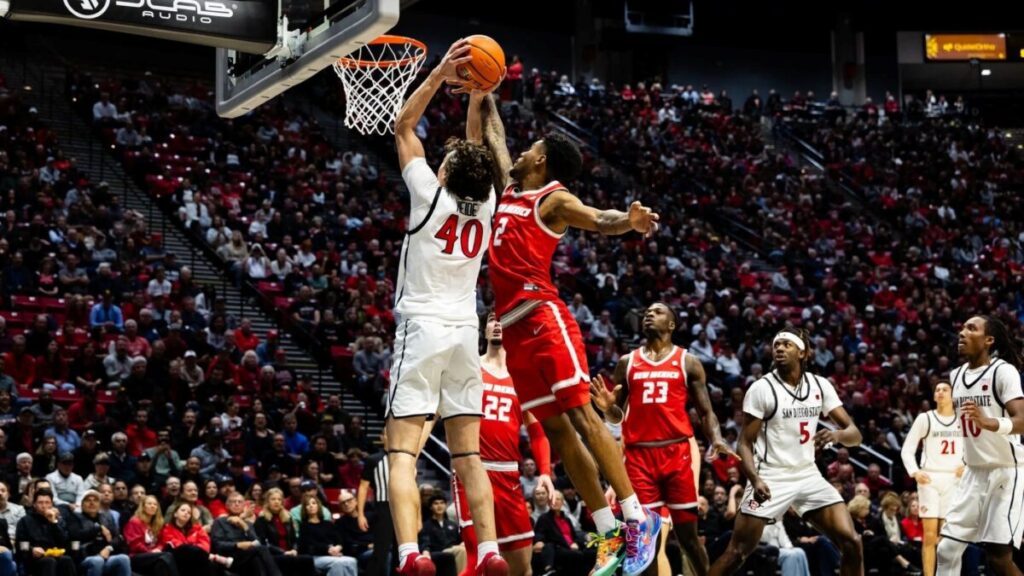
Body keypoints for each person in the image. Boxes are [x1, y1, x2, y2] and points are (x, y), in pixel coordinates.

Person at [481, 69, 662, 575]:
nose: (520, 152)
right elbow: (495, 141)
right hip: (514, 331)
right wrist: (483, 93)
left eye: (530, 149)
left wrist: (628, 221)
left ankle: (637, 517)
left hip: (543, 317)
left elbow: (598, 217)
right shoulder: (511, 190)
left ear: (541, 160)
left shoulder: (554, 199)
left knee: (582, 416)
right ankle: (607, 531)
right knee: (558, 433)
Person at [385, 39, 505, 576]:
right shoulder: (488, 205)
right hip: (463, 334)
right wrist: (477, 98)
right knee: (468, 456)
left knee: (401, 453)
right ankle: (490, 551)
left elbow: (404, 127)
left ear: (446, 174)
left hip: (422, 329)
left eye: (446, 160)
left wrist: (438, 75)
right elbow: (476, 149)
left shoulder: (429, 197)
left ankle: (411, 555)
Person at [592, 302, 736, 576]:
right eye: (647, 312)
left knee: (689, 538)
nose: (649, 314)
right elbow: (616, 416)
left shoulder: (688, 362)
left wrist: (716, 438)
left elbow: (706, 412)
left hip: (676, 455)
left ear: (671, 325)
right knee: (645, 544)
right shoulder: (627, 362)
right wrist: (608, 409)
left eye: (657, 312)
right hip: (639, 459)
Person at [708, 328, 864, 576]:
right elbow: (744, 443)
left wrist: (836, 435)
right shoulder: (762, 388)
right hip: (771, 476)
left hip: (807, 474)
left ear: (802, 352)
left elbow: (855, 434)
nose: (779, 348)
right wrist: (755, 479)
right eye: (776, 344)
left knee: (852, 542)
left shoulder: (820, 385)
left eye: (786, 344)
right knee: (737, 552)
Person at [453, 314, 553, 576]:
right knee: (476, 561)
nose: (497, 324)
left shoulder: (522, 375)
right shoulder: (470, 367)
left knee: (521, 568)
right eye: (492, 320)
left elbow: (537, 432)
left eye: (503, 320)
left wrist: (545, 472)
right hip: (472, 470)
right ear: (485, 328)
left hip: (508, 475)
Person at [937, 316, 1024, 576]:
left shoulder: (1003, 371)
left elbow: (1022, 420)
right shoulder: (956, 376)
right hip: (973, 473)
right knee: (946, 550)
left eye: (971, 328)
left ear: (989, 340)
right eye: (962, 327)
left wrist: (989, 423)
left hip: (1005, 472)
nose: (962, 332)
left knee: (998, 559)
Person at [899, 381, 963, 576]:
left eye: (945, 389)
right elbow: (907, 450)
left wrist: (967, 465)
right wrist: (915, 472)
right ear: (934, 396)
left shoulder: (962, 420)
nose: (940, 392)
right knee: (929, 536)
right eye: (937, 390)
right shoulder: (925, 418)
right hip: (930, 479)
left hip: (954, 479)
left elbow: (976, 447)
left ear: (953, 395)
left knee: (949, 537)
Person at [209, 491, 282, 576]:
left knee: (257, 559)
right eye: (233, 501)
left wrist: (244, 526)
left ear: (243, 506)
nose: (236, 504)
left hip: (247, 557)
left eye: (239, 502)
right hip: (229, 558)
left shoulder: (247, 524)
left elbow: (257, 543)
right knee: (260, 551)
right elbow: (218, 544)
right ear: (227, 505)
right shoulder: (220, 521)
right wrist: (237, 545)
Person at [69, 489, 132, 576]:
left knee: (123, 558)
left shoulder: (106, 517)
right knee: (97, 561)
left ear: (99, 504)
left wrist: (109, 548)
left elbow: (118, 537)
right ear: (82, 504)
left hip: (106, 555)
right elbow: (76, 535)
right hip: (85, 557)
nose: (92, 503)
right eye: (88, 500)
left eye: (95, 500)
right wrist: (98, 528)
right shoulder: (75, 517)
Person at [253, 487, 315, 574]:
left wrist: (294, 550)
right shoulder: (261, 519)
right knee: (304, 560)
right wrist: (283, 552)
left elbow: (294, 539)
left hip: (290, 553)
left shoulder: (287, 518)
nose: (276, 502)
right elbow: (264, 543)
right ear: (267, 502)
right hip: (272, 555)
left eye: (279, 499)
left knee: (308, 559)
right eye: (273, 499)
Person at [15, 489, 77, 576]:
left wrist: (54, 523)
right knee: (49, 561)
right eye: (40, 502)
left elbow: (64, 541)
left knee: (67, 560)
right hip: (34, 559)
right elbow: (20, 544)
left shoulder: (58, 520)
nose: (44, 506)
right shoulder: (24, 521)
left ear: (52, 504)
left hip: (55, 555)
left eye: (47, 502)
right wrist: (32, 549)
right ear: (34, 504)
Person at [159, 501, 229, 576]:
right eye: (183, 510)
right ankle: (214, 558)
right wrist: (192, 547)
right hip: (177, 558)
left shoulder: (197, 528)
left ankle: (214, 559)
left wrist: (194, 549)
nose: (186, 513)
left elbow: (205, 544)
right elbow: (176, 545)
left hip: (196, 558)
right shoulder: (167, 529)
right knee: (186, 548)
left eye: (189, 512)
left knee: (211, 565)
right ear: (175, 514)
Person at [297, 494, 358, 576]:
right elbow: (310, 546)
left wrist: (338, 547)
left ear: (318, 505)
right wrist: (328, 549)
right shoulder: (304, 526)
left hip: (332, 554)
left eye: (313, 503)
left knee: (352, 561)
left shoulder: (328, 524)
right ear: (305, 509)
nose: (311, 506)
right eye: (307, 504)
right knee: (338, 563)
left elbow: (338, 539)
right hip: (315, 557)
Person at [123, 495, 179, 576]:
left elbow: (162, 541)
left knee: (161, 564)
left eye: (155, 504)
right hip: (137, 556)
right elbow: (134, 544)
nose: (152, 506)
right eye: (149, 504)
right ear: (143, 506)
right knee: (167, 556)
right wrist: (150, 551)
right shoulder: (135, 522)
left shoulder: (158, 523)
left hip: (154, 556)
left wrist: (158, 549)